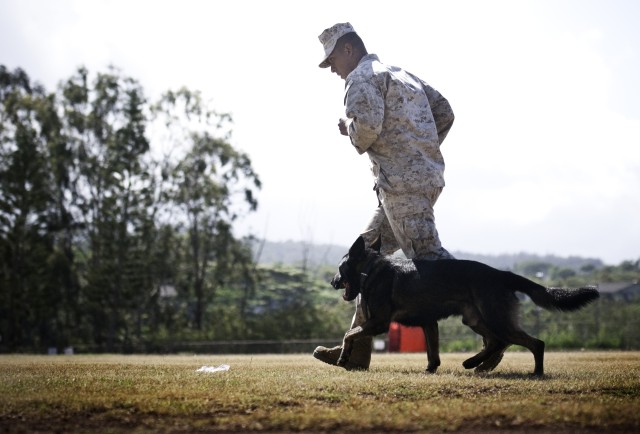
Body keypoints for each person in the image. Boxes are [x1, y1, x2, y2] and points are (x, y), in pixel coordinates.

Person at [313, 22, 456, 370]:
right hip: (416, 181)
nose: (332, 69)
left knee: (432, 262)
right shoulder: (401, 74)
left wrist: (349, 129)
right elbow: (444, 112)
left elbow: (366, 133)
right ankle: (355, 350)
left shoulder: (360, 79)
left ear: (349, 49)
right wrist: (418, 149)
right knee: (362, 259)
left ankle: (493, 326)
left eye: (332, 60)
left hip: (401, 187)